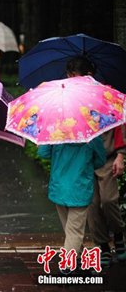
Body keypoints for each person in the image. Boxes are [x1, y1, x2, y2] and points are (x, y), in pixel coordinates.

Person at [66, 56, 126, 266]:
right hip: (83, 160)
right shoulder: (69, 99)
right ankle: (102, 246)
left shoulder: (108, 95)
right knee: (91, 206)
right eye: (70, 77)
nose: (72, 80)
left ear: (88, 76)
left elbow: (119, 125)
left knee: (108, 200)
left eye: (75, 76)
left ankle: (118, 235)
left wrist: (121, 154)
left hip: (107, 157)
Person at [38, 138, 106, 273]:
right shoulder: (91, 135)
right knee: (74, 231)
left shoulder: (56, 131)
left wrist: (42, 142)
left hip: (59, 188)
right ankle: (68, 266)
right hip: (80, 187)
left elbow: (43, 153)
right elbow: (100, 160)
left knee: (70, 229)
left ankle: (77, 259)